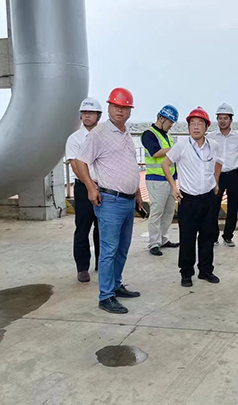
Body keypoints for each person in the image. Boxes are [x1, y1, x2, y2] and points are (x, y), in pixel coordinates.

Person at [73, 87, 143, 314]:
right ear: (109, 108)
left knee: (123, 248)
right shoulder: (99, 133)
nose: (120, 111)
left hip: (128, 200)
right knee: (109, 250)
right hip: (111, 201)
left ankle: (116, 284)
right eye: (116, 106)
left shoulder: (126, 134)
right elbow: (81, 161)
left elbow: (129, 165)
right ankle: (105, 296)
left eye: (124, 107)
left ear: (130, 111)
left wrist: (138, 192)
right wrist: (91, 187)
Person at [162, 107, 222, 287]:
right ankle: (186, 273)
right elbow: (165, 164)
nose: (196, 127)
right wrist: (174, 187)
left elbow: (218, 163)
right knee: (187, 238)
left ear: (206, 127)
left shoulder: (214, 146)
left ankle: (206, 270)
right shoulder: (181, 145)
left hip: (208, 198)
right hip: (188, 200)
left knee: (208, 236)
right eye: (192, 124)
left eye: (200, 124)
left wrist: (216, 182)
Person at [65, 97, 103, 283]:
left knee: (102, 228)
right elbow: (75, 165)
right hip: (83, 188)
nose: (87, 116)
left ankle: (102, 263)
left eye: (91, 113)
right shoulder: (74, 139)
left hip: (104, 187)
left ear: (98, 116)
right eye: (84, 113)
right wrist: (90, 186)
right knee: (82, 228)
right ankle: (82, 268)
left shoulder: (104, 136)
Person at [209, 103, 238, 247]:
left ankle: (228, 236)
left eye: (225, 118)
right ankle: (213, 236)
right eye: (220, 118)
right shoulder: (211, 137)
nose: (222, 121)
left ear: (231, 120)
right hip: (217, 175)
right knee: (213, 207)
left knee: (233, 207)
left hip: (234, 174)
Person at [143, 105, 180, 256]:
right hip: (156, 179)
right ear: (162, 118)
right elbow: (156, 152)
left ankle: (163, 239)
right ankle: (154, 243)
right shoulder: (148, 134)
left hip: (170, 179)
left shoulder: (167, 136)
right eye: (170, 122)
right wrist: (177, 148)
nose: (171, 125)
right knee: (157, 212)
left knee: (169, 211)